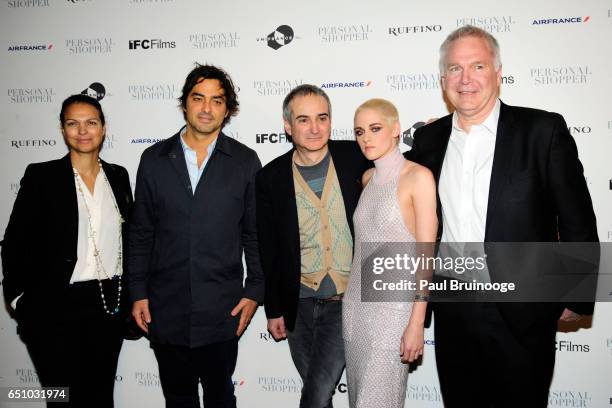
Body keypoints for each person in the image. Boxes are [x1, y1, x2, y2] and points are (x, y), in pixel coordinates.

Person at [406, 25, 598, 407]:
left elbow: (576, 219)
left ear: (498, 72)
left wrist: (577, 294)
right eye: (455, 69)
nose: (466, 79)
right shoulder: (428, 141)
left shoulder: (543, 131)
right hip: (454, 308)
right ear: (443, 80)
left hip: (522, 310)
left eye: (477, 66)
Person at [128, 64, 263, 408]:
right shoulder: (154, 159)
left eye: (217, 101)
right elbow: (141, 232)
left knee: (220, 397)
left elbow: (255, 235)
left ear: (227, 109)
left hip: (222, 309)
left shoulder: (245, 161)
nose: (206, 108)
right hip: (165, 308)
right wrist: (138, 292)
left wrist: (254, 291)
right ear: (185, 103)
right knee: (178, 399)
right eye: (198, 98)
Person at [1, 94, 132, 407]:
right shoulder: (41, 176)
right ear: (63, 129)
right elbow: (15, 241)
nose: (82, 130)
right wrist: (19, 300)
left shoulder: (118, 176)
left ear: (103, 128)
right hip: (53, 306)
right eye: (73, 123)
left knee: (100, 397)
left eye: (91, 122)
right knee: (62, 399)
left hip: (107, 303)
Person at [256, 84, 369, 408]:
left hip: (345, 301)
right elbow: (270, 249)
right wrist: (274, 308)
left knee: (315, 397)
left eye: (322, 117)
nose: (315, 128)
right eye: (304, 120)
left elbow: (398, 171)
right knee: (317, 393)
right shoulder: (270, 178)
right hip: (298, 307)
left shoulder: (356, 157)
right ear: (288, 126)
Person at [342, 99, 437, 407]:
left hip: (393, 312)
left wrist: (416, 322)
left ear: (396, 129)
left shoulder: (418, 177)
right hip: (355, 306)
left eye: (375, 128)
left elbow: (426, 254)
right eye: (359, 131)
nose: (366, 138)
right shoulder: (368, 179)